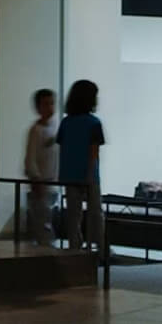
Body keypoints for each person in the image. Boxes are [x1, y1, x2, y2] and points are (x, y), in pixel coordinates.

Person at [56, 80, 105, 251]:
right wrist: (90, 174)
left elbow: (62, 150)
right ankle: (100, 247)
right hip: (89, 175)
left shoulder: (66, 122)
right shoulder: (94, 123)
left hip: (69, 174)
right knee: (95, 213)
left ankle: (74, 247)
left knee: (73, 215)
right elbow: (93, 153)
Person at [23, 88, 57, 246]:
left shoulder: (54, 128)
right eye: (45, 104)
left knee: (47, 217)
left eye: (52, 103)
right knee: (42, 219)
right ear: (38, 107)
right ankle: (45, 249)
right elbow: (30, 158)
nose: (50, 107)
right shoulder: (35, 130)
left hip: (51, 181)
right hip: (41, 181)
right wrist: (36, 178)